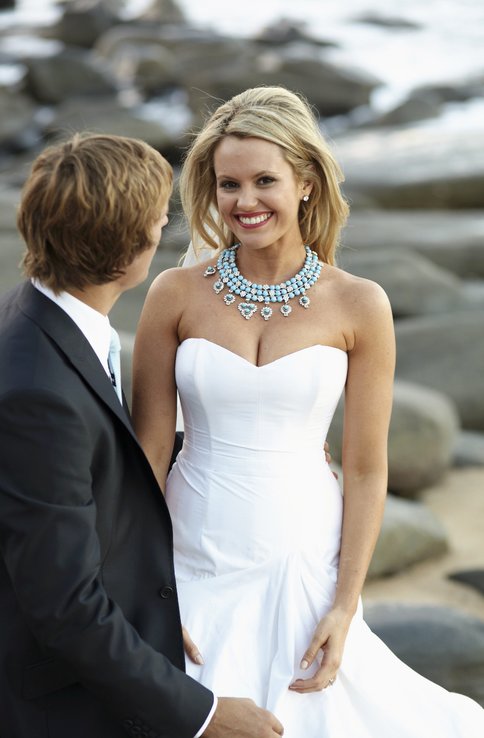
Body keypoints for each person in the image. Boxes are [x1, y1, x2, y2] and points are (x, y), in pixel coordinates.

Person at [132, 86, 484, 737]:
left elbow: (366, 469)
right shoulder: (173, 294)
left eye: (265, 180)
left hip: (303, 551)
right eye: (228, 184)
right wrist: (141, 580)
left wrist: (346, 604)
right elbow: (149, 451)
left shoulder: (360, 305)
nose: (244, 202)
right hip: (189, 546)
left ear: (306, 184)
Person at [0, 132, 284, 738]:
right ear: (130, 248)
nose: (163, 229)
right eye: (158, 220)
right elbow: (66, 607)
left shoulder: (38, 317)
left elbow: (83, 461)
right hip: (58, 705)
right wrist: (201, 714)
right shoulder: (37, 393)